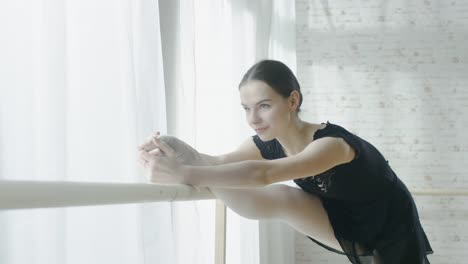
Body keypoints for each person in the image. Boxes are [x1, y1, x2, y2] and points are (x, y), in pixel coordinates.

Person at [138, 59, 433, 263]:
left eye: (264, 106)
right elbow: (217, 163)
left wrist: (183, 172)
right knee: (279, 197)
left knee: (275, 190)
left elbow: (263, 174)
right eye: (246, 108)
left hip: (388, 222)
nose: (253, 119)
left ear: (292, 101)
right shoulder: (266, 141)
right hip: (337, 214)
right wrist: (171, 147)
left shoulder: (331, 145)